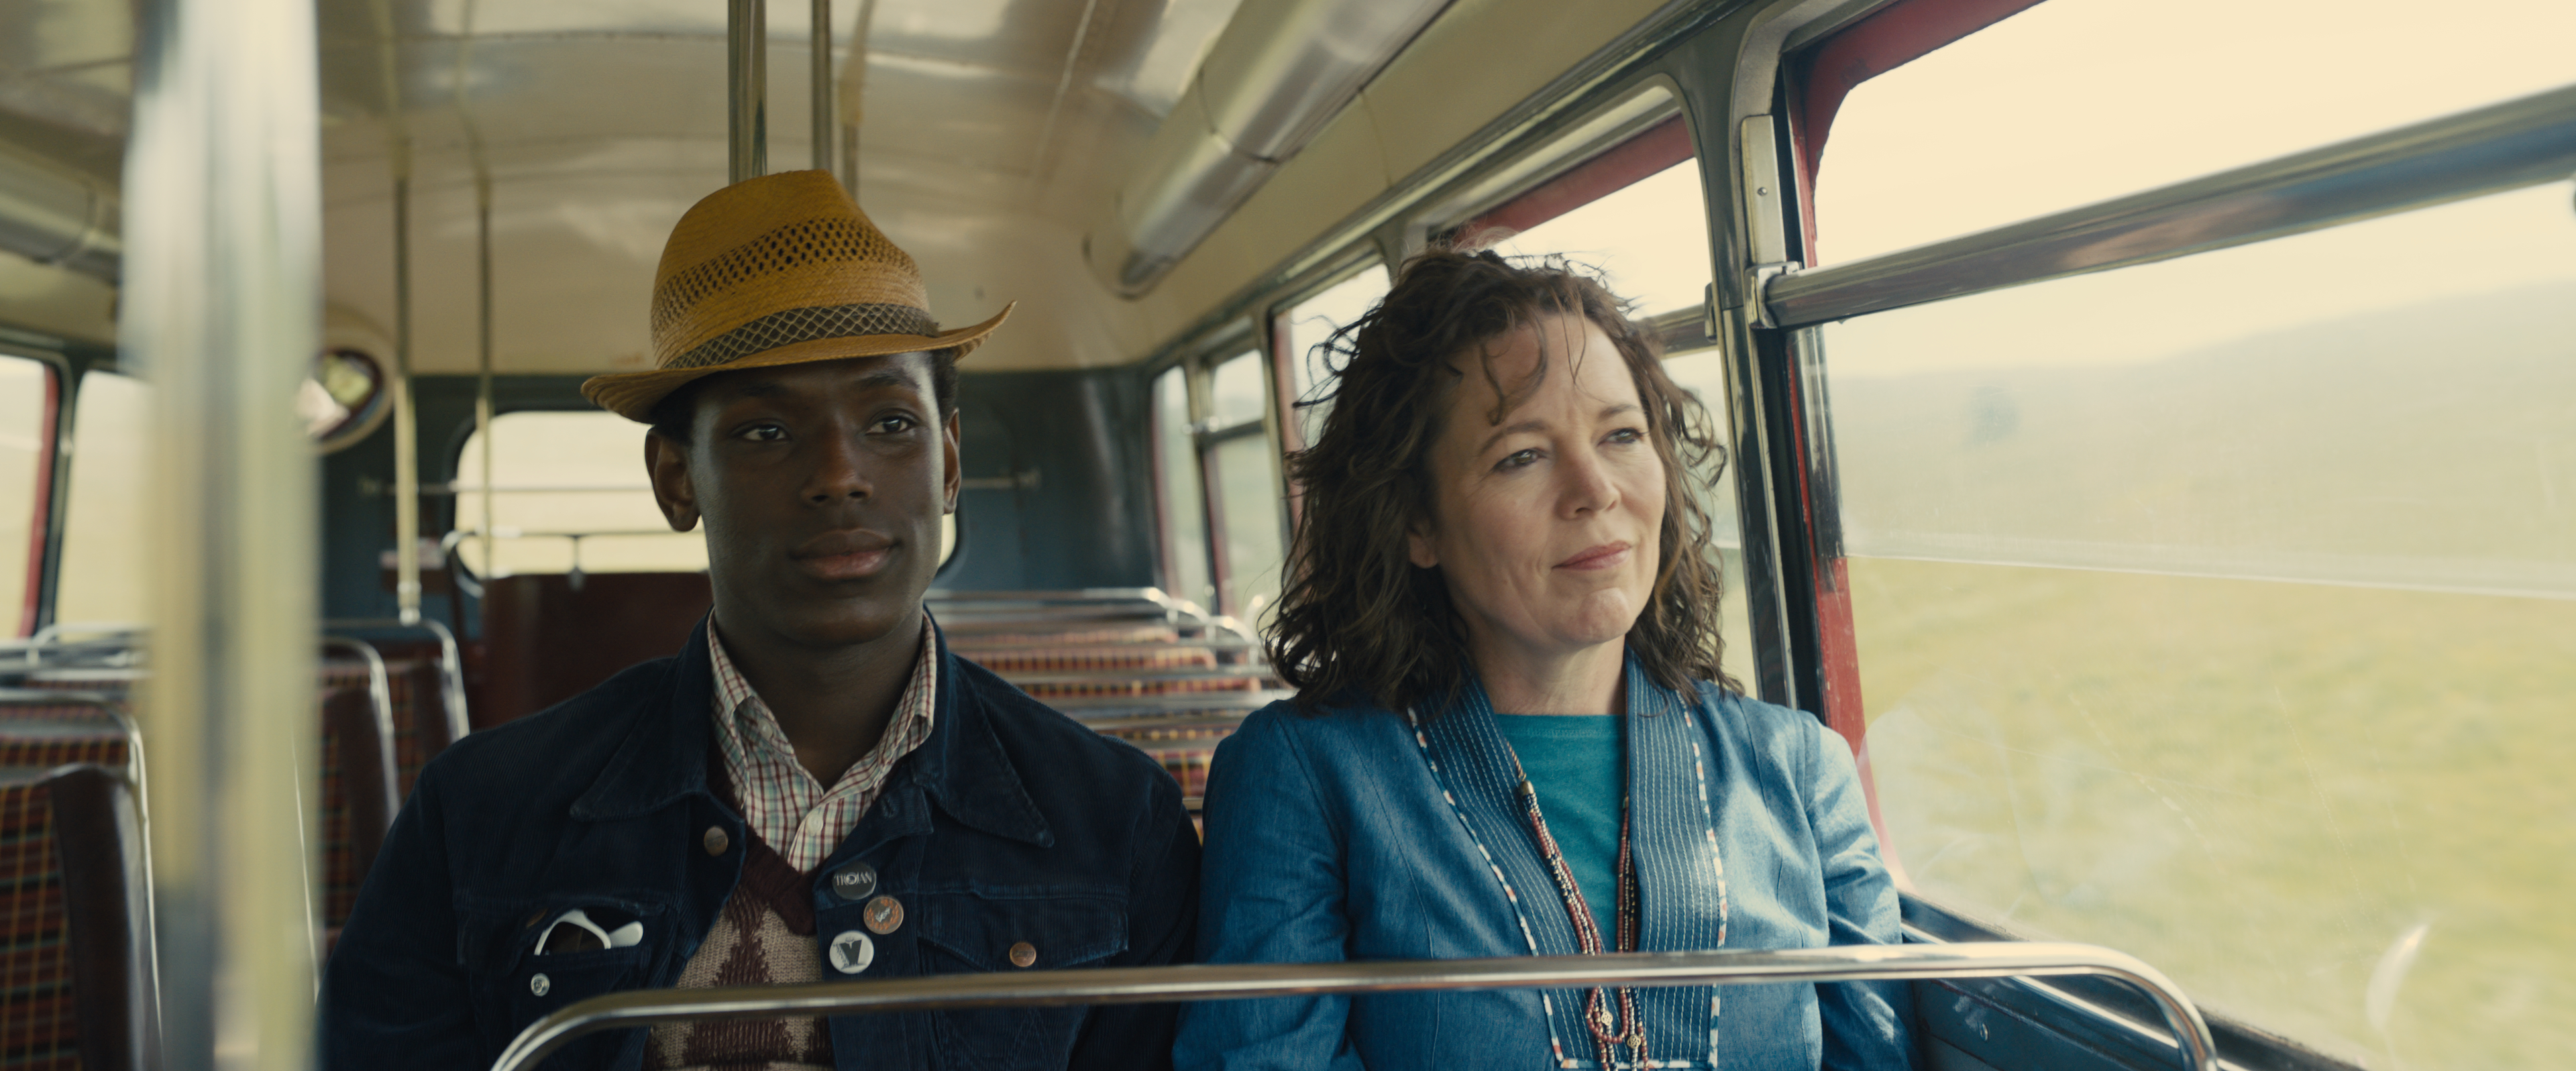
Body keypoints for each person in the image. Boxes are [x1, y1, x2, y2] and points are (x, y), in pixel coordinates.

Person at [323, 170, 1201, 1071]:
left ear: (946, 464)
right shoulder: (479, 815)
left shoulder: (1116, 824)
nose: (839, 473)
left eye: (891, 421)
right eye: (765, 433)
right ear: (676, 478)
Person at [1173, 249, 1913, 1070]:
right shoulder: (1306, 777)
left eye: (1621, 435)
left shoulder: (1799, 771)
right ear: (1416, 521)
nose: (1594, 488)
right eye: (1522, 455)